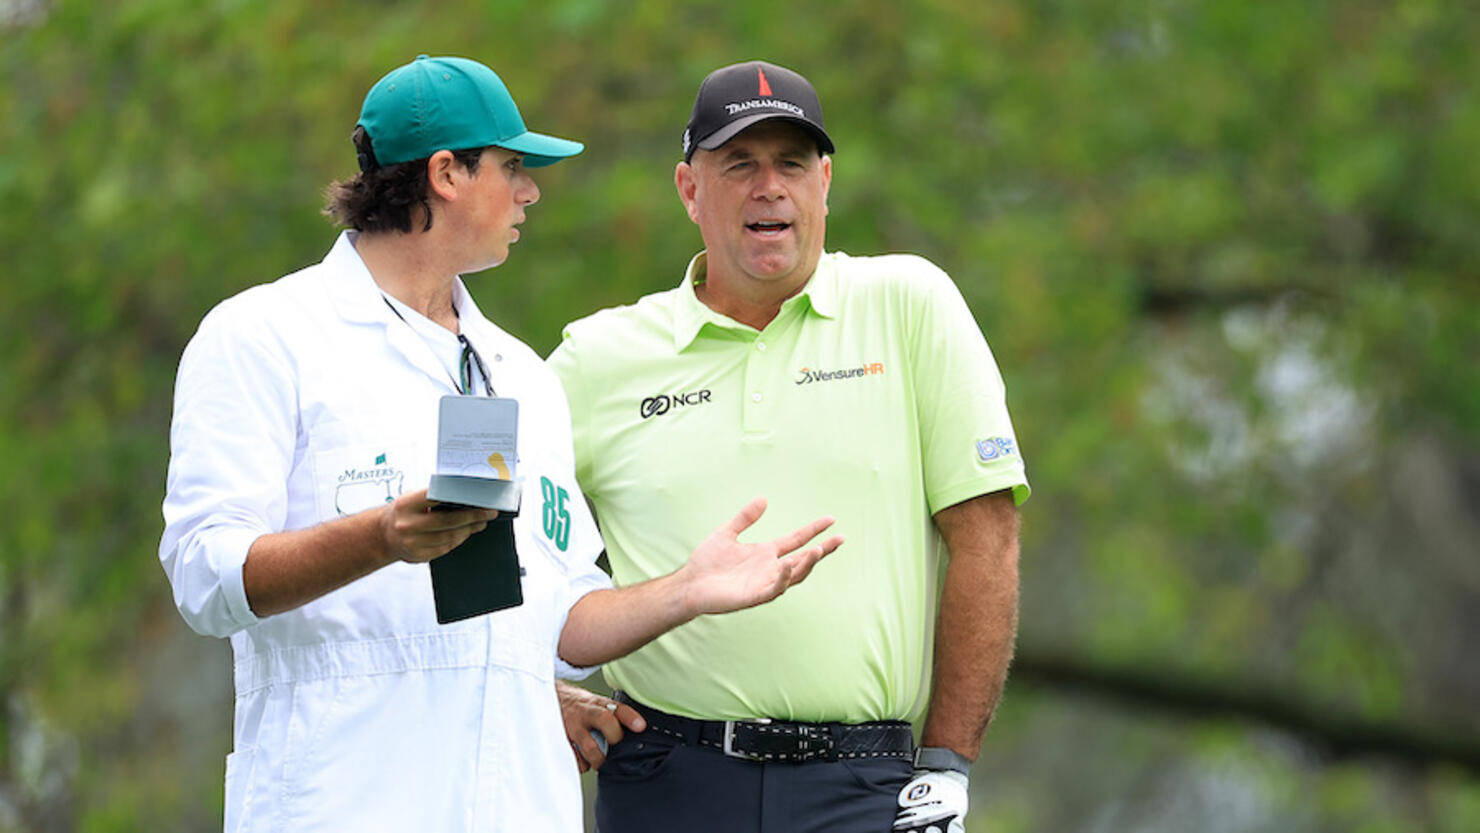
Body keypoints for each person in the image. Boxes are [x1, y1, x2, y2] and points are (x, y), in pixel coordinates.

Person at [158, 54, 842, 833]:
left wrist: (686, 590)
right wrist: (381, 536)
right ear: (446, 173)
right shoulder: (264, 337)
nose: (530, 191)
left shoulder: (520, 373)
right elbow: (206, 580)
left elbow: (560, 623)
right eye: (513, 167)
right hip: (341, 803)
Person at [548, 60, 1029, 833]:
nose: (769, 186)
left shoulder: (911, 304)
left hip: (869, 786)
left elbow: (988, 537)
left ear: (826, 182)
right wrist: (534, 686)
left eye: (792, 163)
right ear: (689, 189)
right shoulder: (597, 357)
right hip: (667, 778)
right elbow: (483, 537)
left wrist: (947, 764)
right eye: (739, 164)